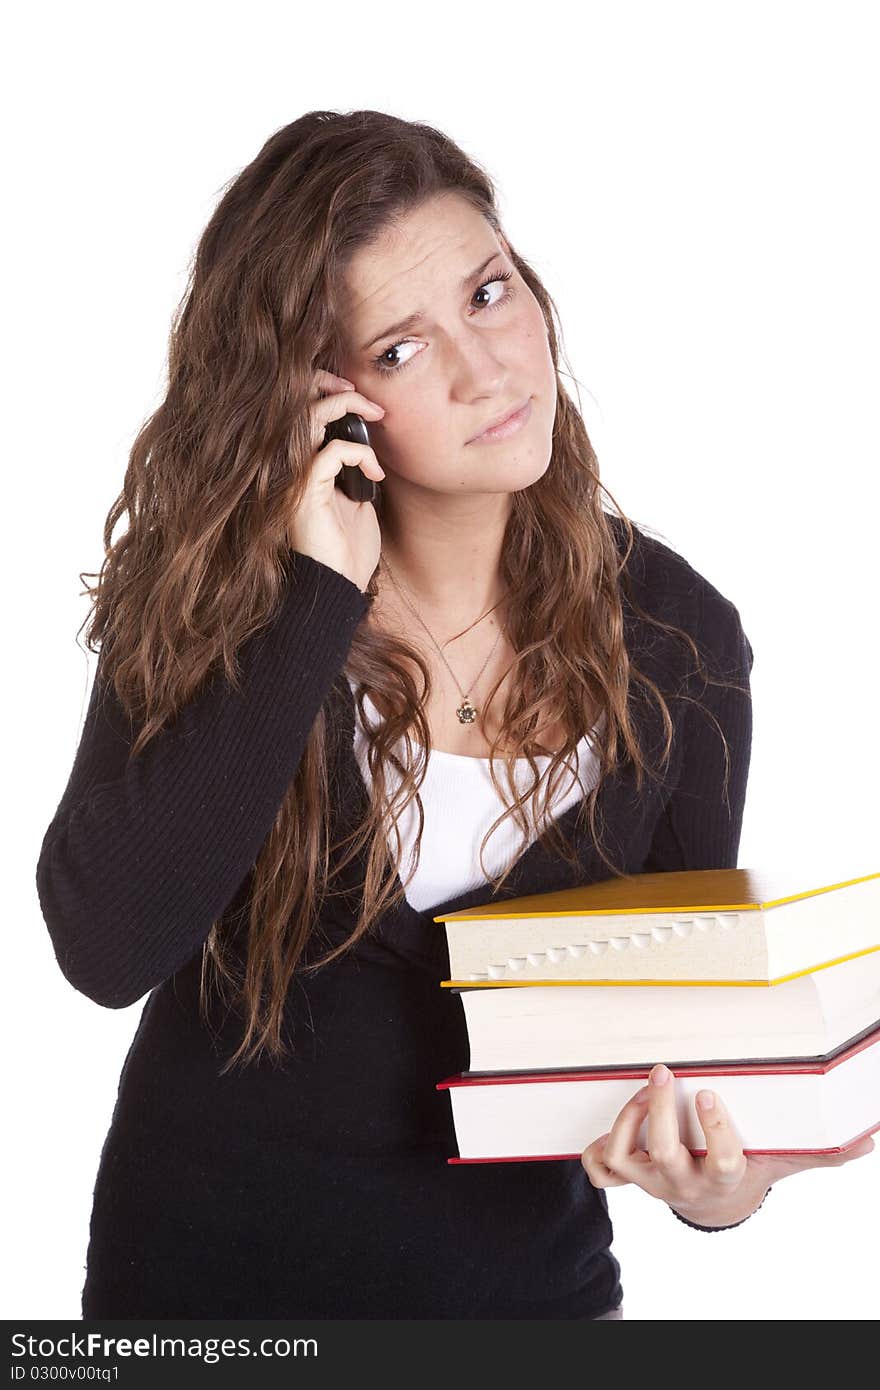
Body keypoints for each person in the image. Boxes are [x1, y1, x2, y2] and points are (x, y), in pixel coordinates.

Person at [35, 109, 872, 1322]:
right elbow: (105, 949)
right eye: (399, 349)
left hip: (527, 1304)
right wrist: (311, 603)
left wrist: (721, 1186)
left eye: (487, 294)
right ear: (318, 400)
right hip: (206, 1300)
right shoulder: (219, 596)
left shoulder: (680, 643)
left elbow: (681, 1060)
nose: (489, 371)